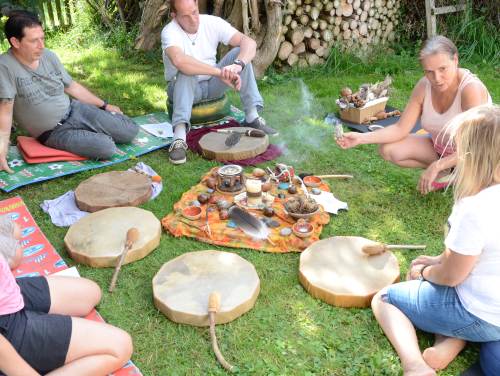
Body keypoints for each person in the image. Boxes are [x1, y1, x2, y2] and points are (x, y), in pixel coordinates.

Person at [371, 105, 500, 376]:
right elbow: (485, 255)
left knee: (384, 299)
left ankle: (416, 366)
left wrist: (427, 272)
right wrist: (440, 260)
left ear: (471, 157)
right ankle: (452, 342)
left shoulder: (475, 208)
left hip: (483, 313)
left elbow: (453, 277)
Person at [336, 35, 491, 194]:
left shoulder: (470, 90)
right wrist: (360, 138)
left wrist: (436, 165)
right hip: (441, 149)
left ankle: (461, 174)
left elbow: (475, 147)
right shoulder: (424, 86)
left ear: (456, 60)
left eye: (442, 69)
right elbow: (400, 128)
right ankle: (449, 173)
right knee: (388, 149)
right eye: (429, 72)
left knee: (474, 174)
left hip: (475, 157)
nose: (436, 78)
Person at [0, 11, 139, 173]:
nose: (41, 46)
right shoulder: (5, 67)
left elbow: (71, 86)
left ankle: (92, 130)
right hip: (55, 132)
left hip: (76, 110)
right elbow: (5, 111)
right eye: (34, 41)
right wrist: (2, 150)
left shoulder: (49, 56)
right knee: (107, 148)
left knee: (130, 131)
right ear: (15, 42)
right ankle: (90, 134)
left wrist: (105, 105)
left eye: (42, 38)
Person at [0, 215, 133, 375]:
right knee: (120, 346)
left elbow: (13, 239)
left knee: (89, 293)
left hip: (9, 296)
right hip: (6, 330)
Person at [161, 0, 277, 165]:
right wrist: (219, 72)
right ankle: (179, 139)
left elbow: (249, 43)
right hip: (183, 88)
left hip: (211, 85)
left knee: (240, 53)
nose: (193, 20)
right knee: (186, 71)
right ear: (174, 16)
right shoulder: (169, 31)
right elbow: (180, 61)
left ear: (196, 5)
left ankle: (252, 117)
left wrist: (237, 66)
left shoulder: (211, 23)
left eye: (194, 12)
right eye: (185, 16)